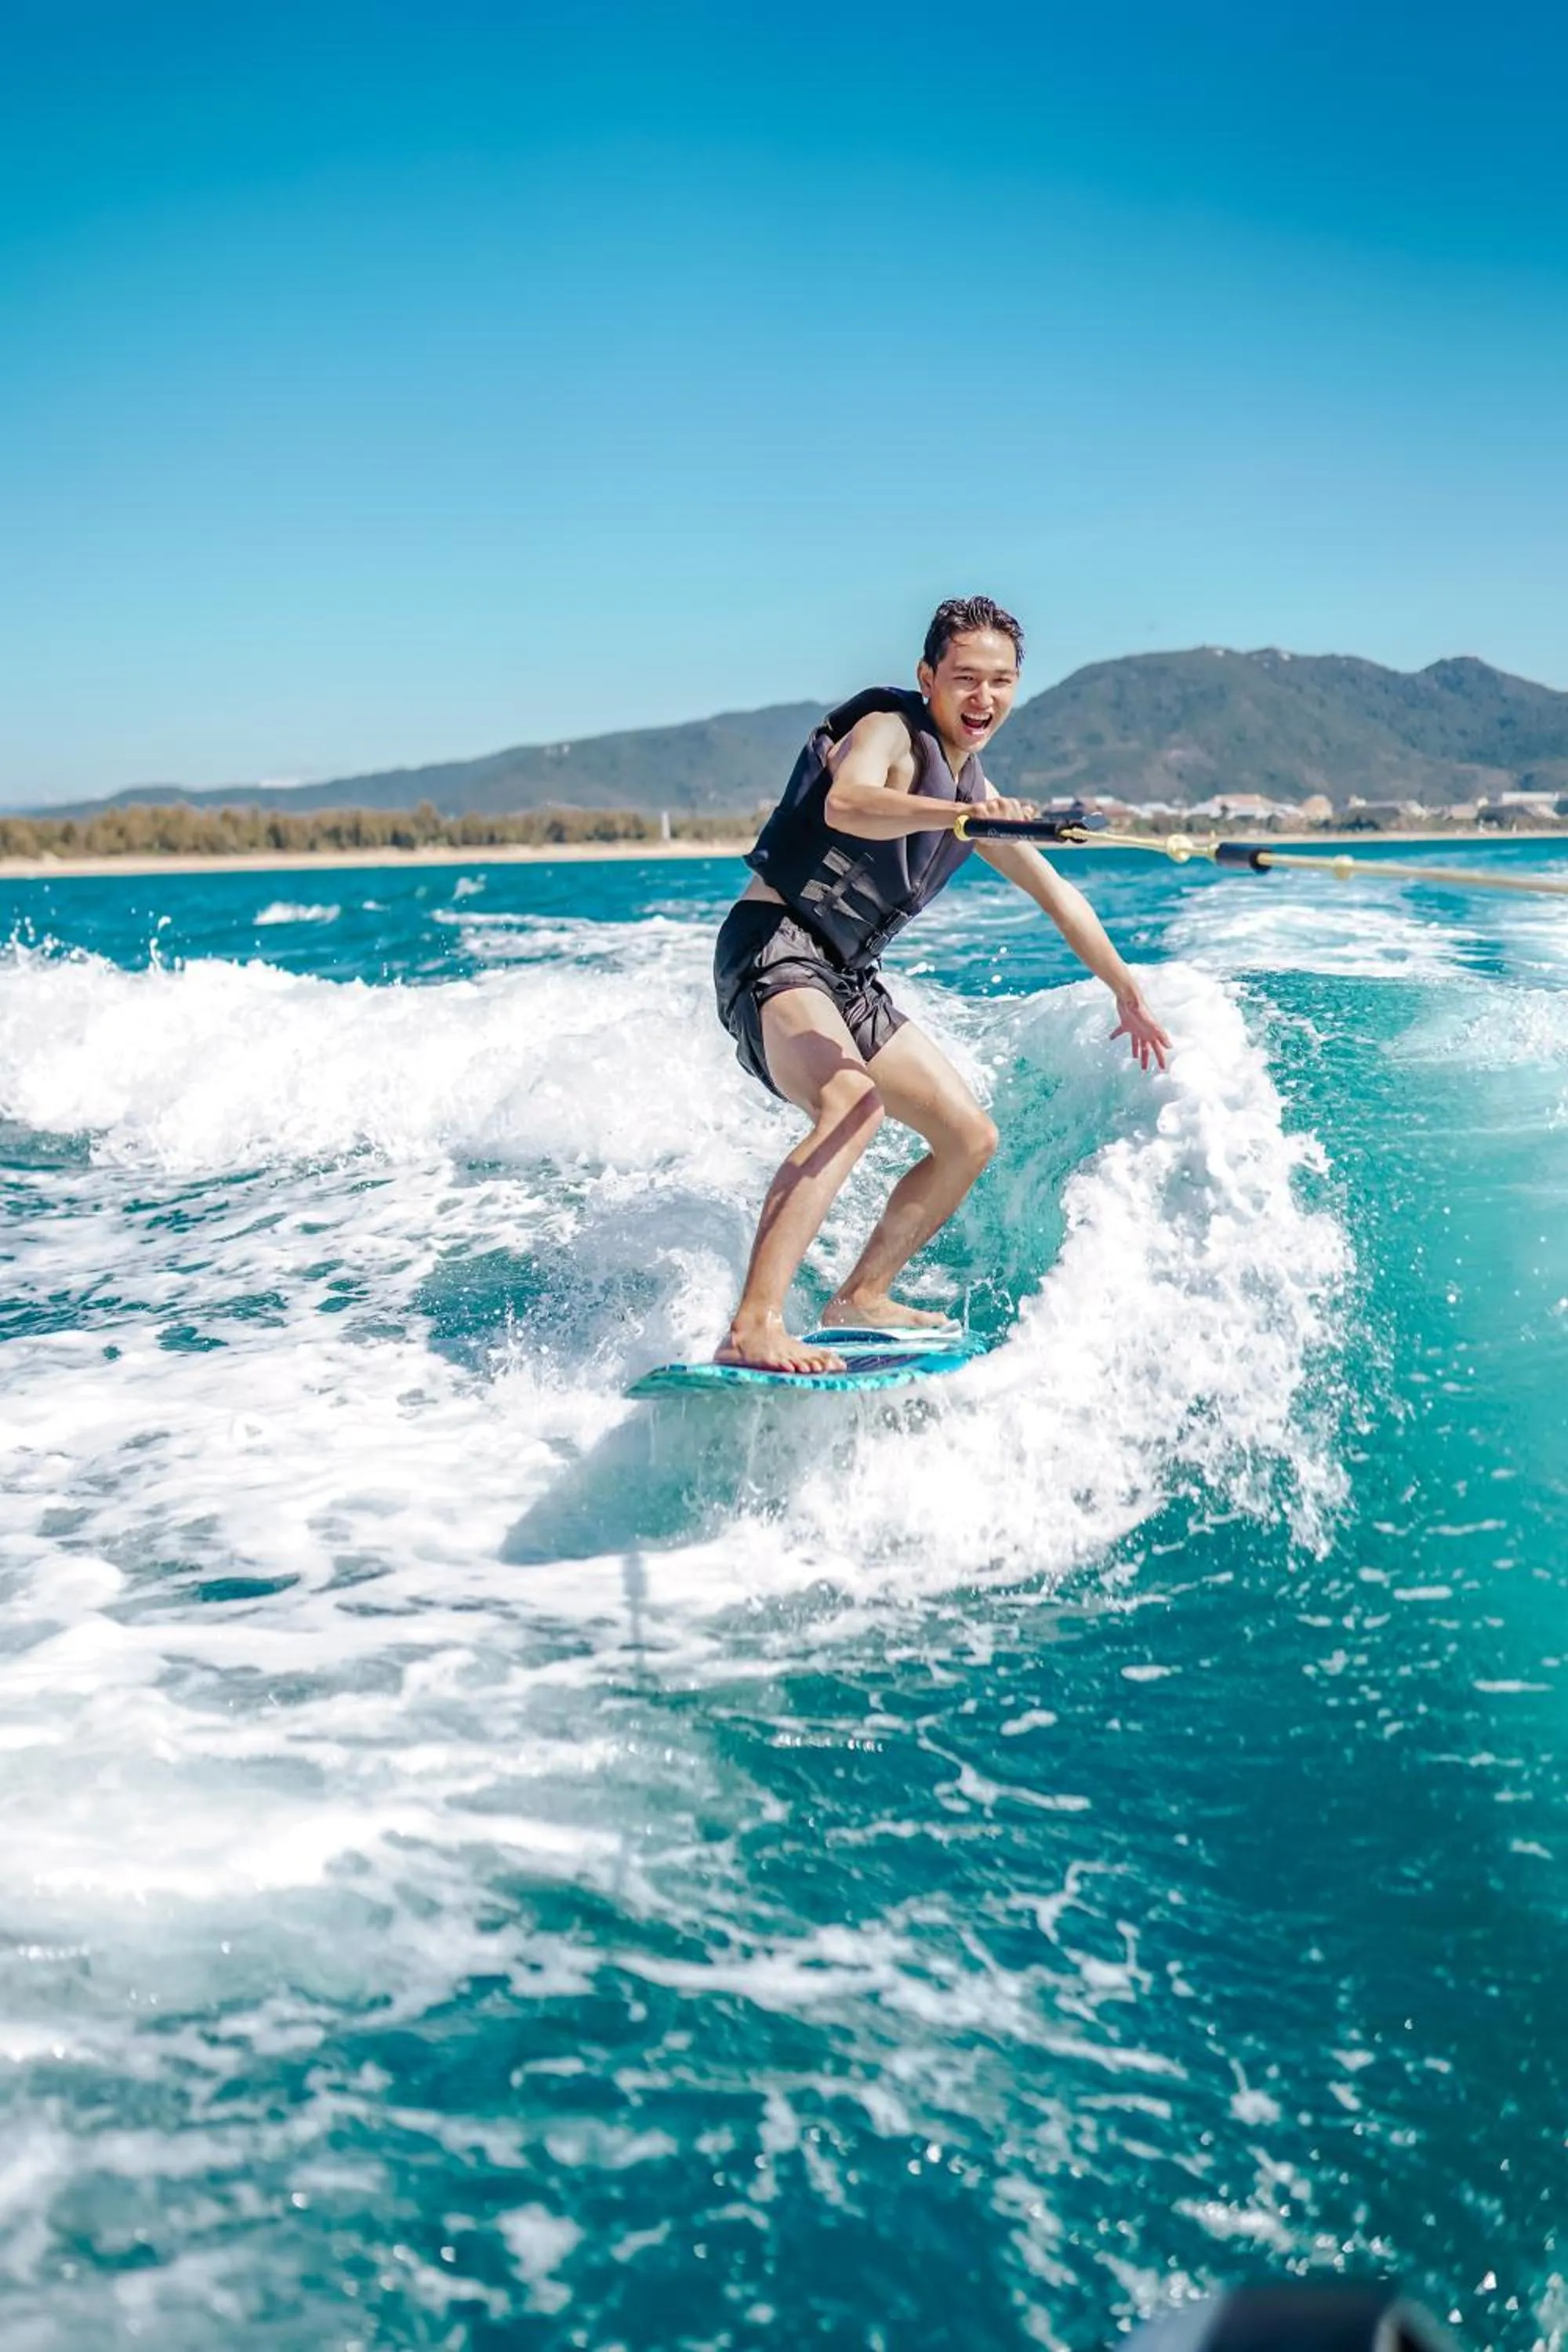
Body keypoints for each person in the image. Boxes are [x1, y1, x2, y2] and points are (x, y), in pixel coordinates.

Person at [712, 594, 1171, 1373]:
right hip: (774, 949)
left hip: (847, 978)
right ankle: (752, 1326)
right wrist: (965, 818)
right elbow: (848, 801)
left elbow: (1056, 894)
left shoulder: (972, 797)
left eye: (1000, 681)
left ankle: (860, 1296)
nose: (981, 697)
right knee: (849, 1106)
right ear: (927, 677)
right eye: (963, 678)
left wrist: (1123, 988)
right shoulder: (888, 732)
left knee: (968, 1137)